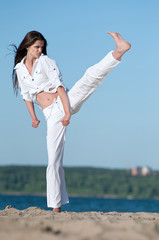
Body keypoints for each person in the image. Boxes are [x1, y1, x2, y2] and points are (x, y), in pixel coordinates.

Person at [12, 30, 131, 212]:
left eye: (42, 47)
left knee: (89, 78)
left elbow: (59, 87)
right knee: (53, 162)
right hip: (50, 115)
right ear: (27, 47)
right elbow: (26, 96)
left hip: (63, 104)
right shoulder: (19, 69)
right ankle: (57, 207)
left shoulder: (45, 61)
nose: (40, 50)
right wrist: (34, 118)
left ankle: (118, 52)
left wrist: (67, 113)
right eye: (36, 47)